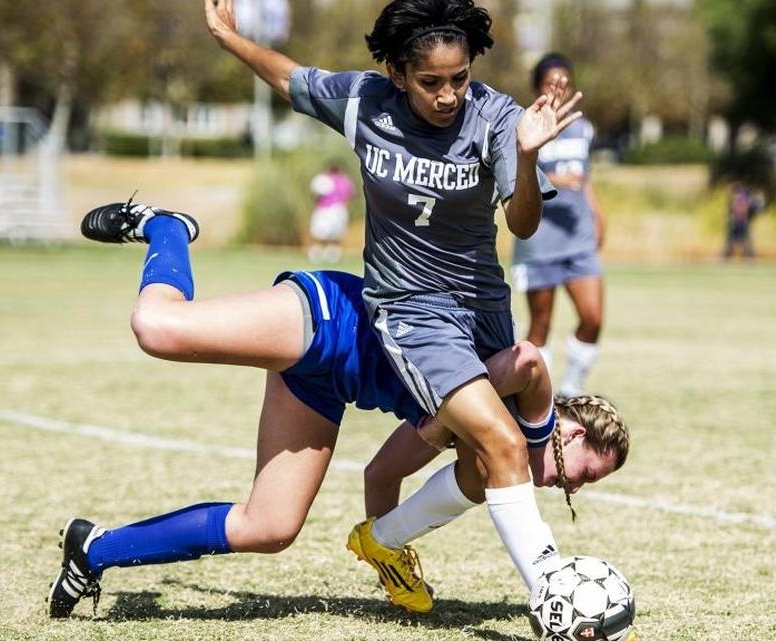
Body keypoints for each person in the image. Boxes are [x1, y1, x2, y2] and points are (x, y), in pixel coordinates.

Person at [50, 201, 624, 618]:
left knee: (271, 527)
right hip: (336, 319)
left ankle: (95, 549)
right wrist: (460, 420)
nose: (571, 488)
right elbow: (526, 358)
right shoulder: (526, 420)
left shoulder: (481, 455)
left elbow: (382, 473)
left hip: (326, 384)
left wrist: (386, 554)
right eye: (583, 476)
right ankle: (166, 229)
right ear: (571, 435)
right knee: (158, 328)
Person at [205, 0, 583, 607]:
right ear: (398, 76)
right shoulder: (363, 101)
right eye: (431, 82)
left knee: (480, 468)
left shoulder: (496, 117)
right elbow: (288, 76)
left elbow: (525, 225)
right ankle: (553, 594)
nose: (448, 94)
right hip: (410, 310)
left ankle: (381, 539)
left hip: (482, 311)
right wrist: (229, 38)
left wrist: (529, 152)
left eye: (458, 78)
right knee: (504, 444)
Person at [510, 53, 607, 399]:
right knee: (541, 323)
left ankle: (571, 387)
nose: (558, 88)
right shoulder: (522, 125)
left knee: (593, 317)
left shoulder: (582, 127)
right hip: (539, 241)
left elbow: (585, 177)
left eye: (564, 81)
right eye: (551, 82)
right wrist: (552, 177)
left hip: (578, 238)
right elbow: (513, 175)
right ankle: (539, 395)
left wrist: (598, 212)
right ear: (537, 87)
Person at [307, 163, 355, 264]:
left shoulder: (323, 179)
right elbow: (350, 196)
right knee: (336, 236)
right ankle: (333, 256)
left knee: (319, 234)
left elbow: (316, 195)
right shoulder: (345, 180)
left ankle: (316, 255)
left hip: (324, 209)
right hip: (339, 209)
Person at [722, 182, 764, 261]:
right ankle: (748, 257)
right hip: (741, 222)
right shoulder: (746, 197)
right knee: (743, 241)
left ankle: (728, 256)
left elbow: (738, 210)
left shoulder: (739, 197)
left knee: (734, 241)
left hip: (738, 221)